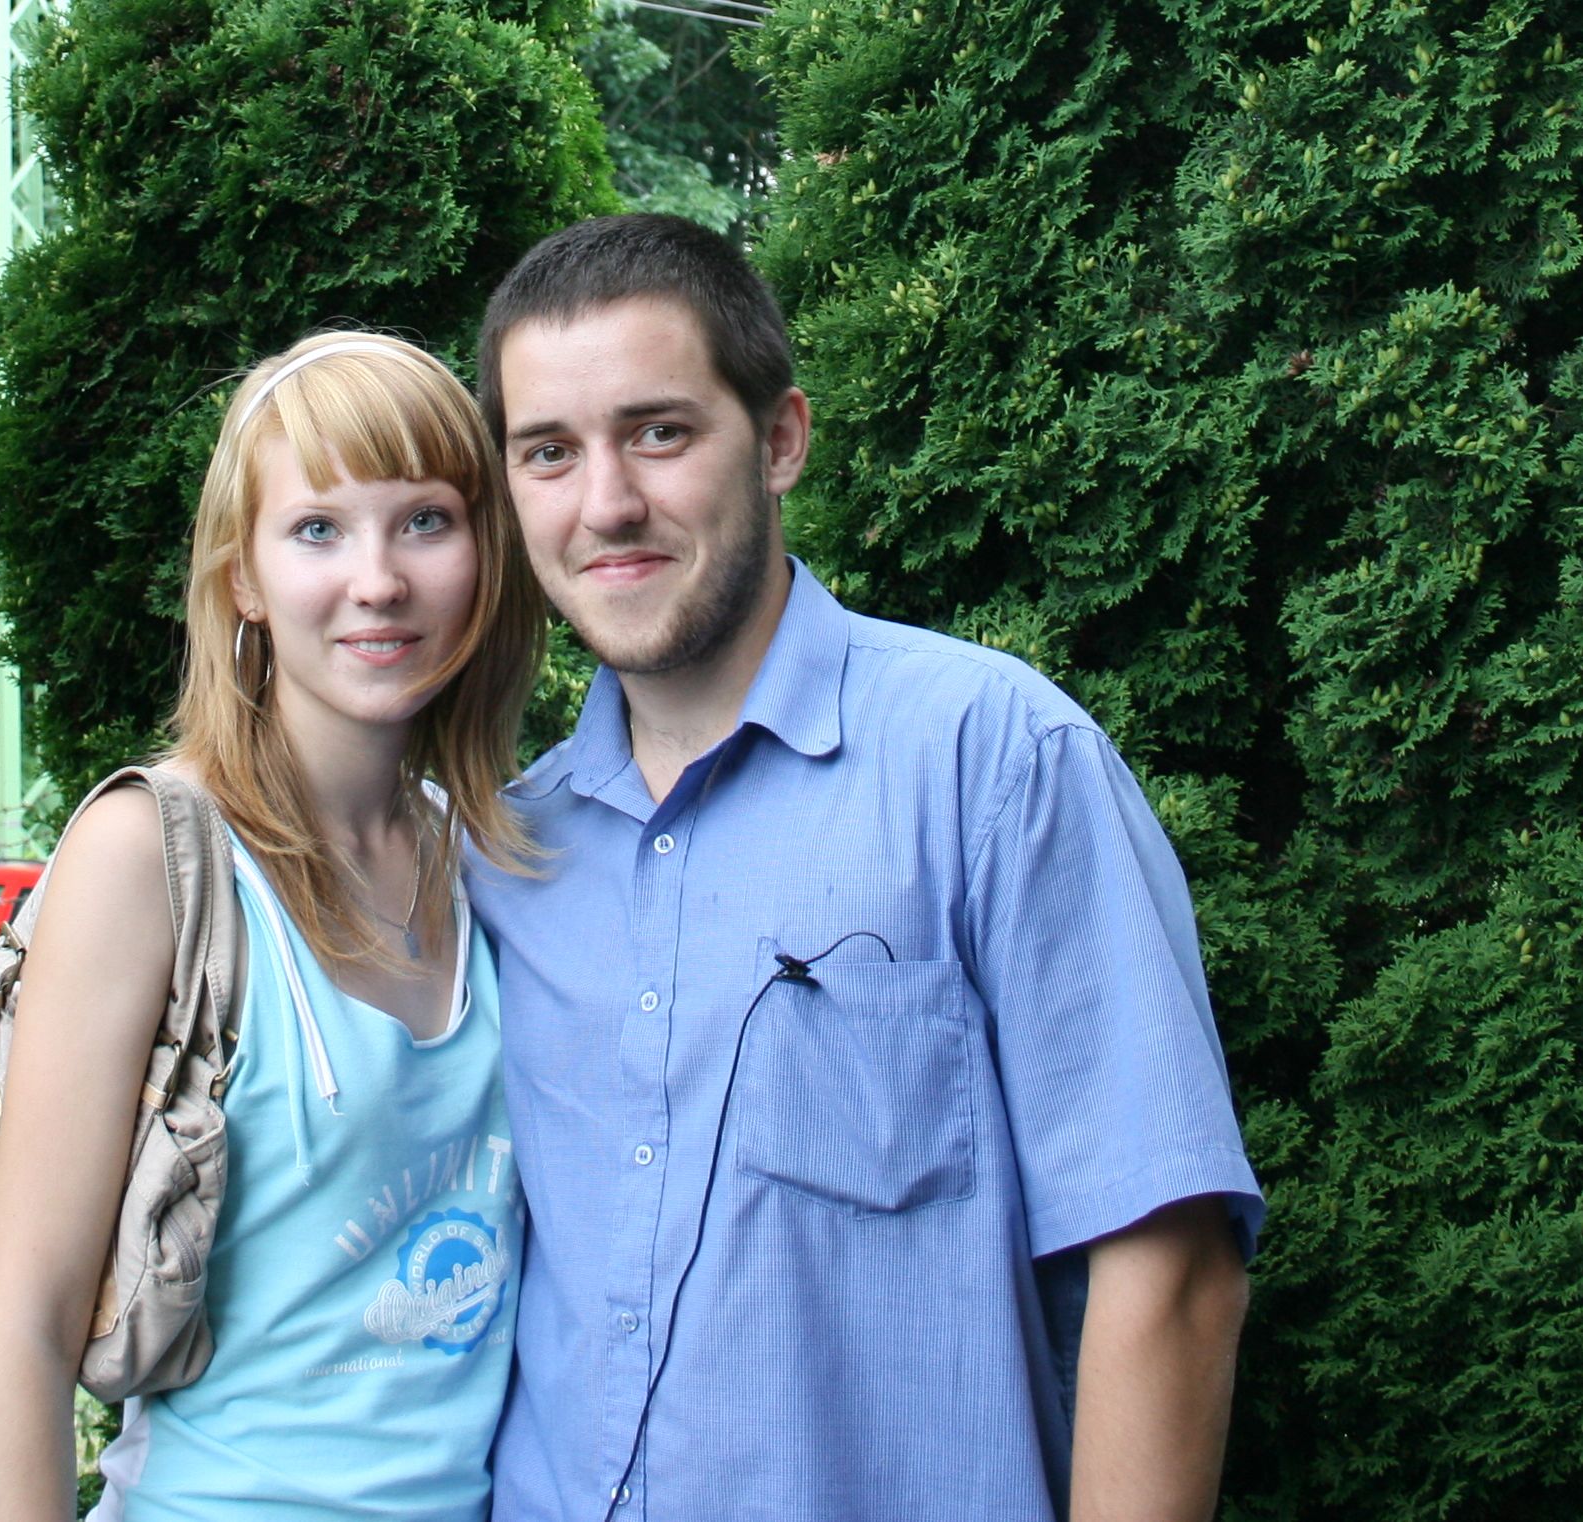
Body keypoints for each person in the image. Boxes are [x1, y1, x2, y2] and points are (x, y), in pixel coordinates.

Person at [467, 214, 1264, 1522]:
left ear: (780, 439)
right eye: (547, 451)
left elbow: (1169, 1268)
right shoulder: (506, 852)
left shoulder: (991, 763)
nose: (604, 503)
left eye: (658, 432)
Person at [0, 331, 544, 1522]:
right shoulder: (147, 857)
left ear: (485, 553)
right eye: (317, 529)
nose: (378, 579)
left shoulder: (489, 855)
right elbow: (25, 1333)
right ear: (242, 577)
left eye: (425, 521)